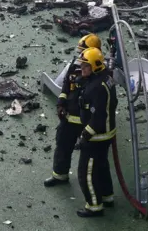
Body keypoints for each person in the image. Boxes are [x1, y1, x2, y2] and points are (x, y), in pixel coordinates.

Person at [44, 34, 102, 187]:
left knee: (90, 159)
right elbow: (66, 84)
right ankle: (60, 175)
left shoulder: (98, 74)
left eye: (84, 51)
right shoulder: (75, 65)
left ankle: (98, 189)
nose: (81, 56)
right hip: (69, 117)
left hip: (87, 121)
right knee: (62, 145)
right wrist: (61, 103)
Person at [73, 47, 117, 217]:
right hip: (107, 133)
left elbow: (97, 117)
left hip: (96, 137)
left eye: (86, 66)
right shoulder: (106, 79)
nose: (82, 69)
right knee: (102, 166)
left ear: (95, 67)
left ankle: (94, 206)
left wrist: (85, 136)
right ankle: (107, 196)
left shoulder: (97, 87)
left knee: (87, 172)